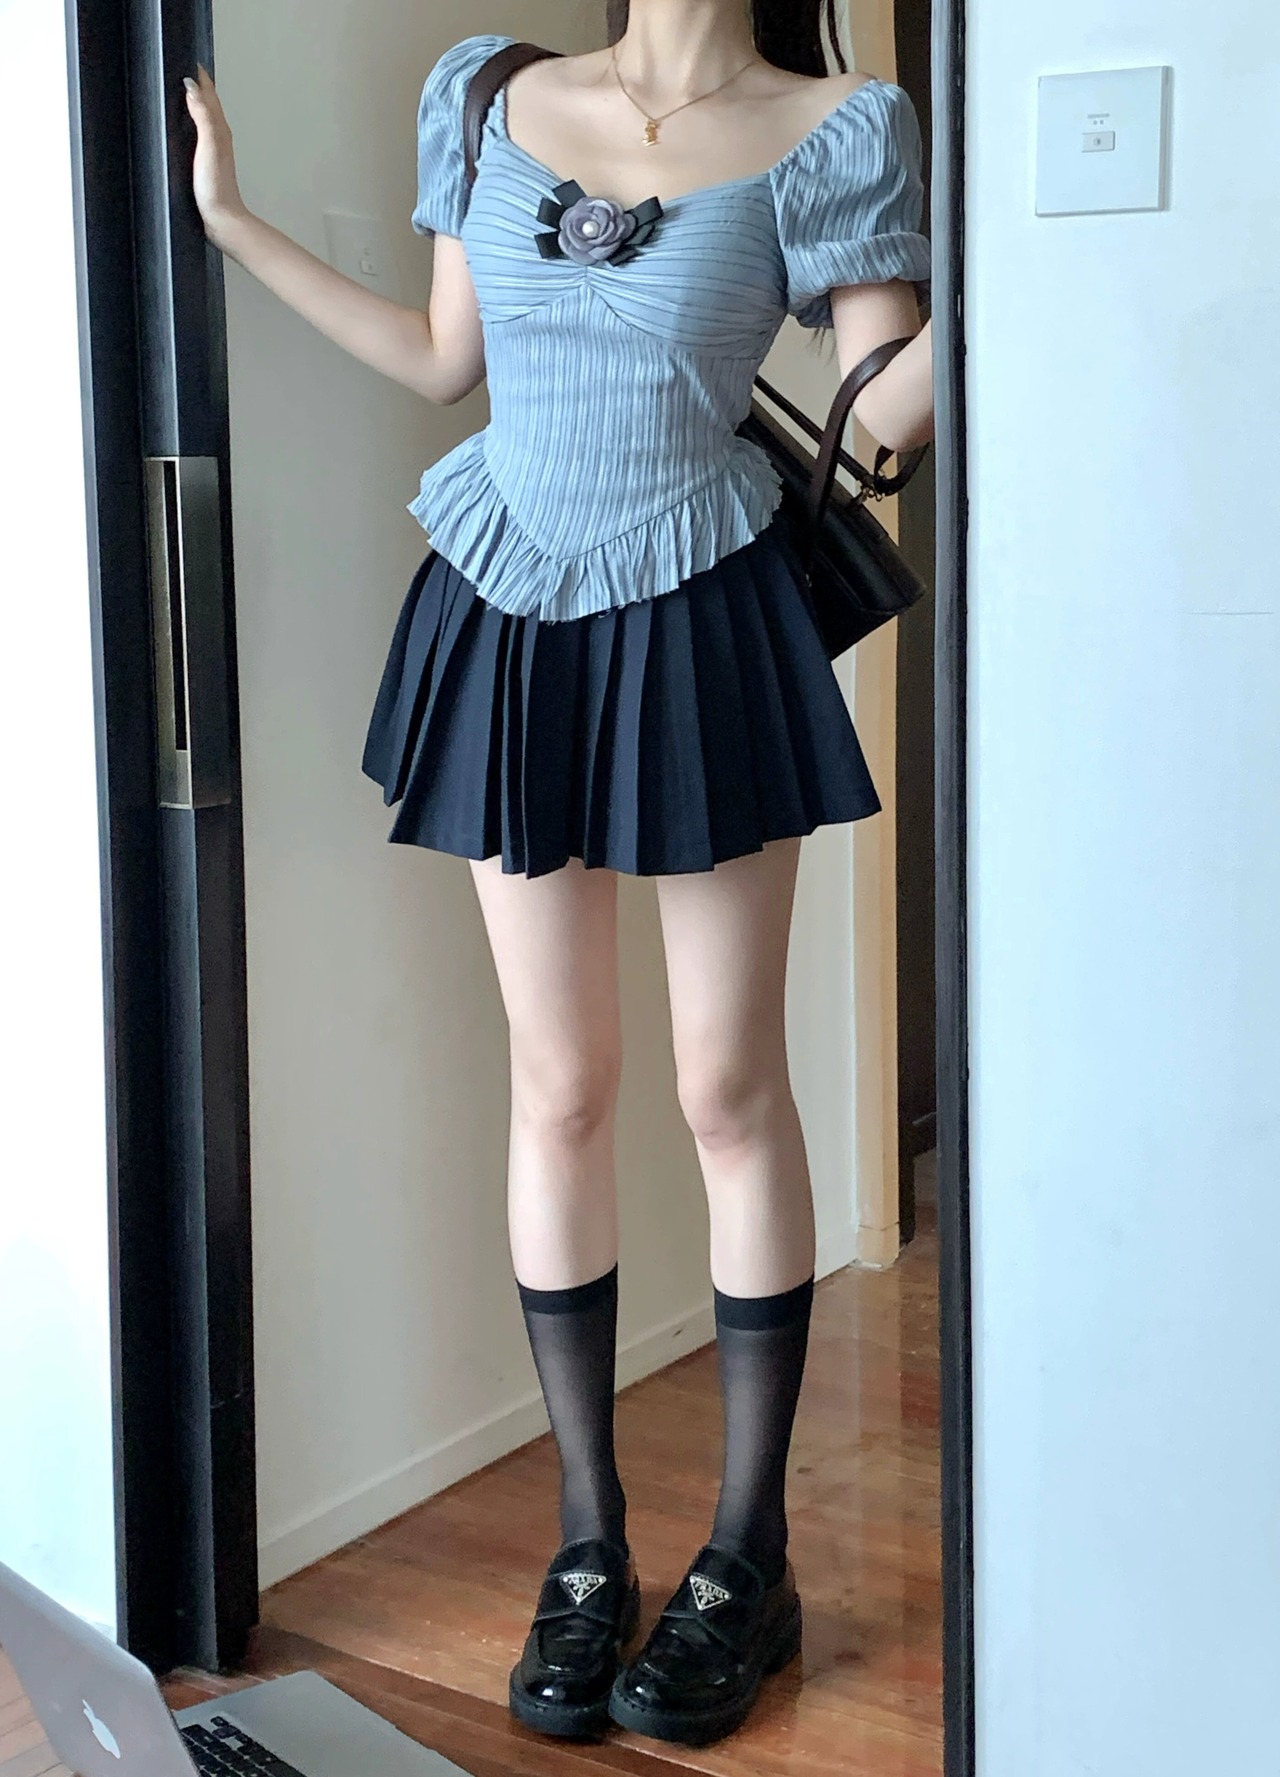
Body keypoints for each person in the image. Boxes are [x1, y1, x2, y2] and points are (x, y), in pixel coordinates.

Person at [184, 0, 934, 1749]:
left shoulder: (840, 128)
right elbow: (445, 357)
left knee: (726, 1086)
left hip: (705, 616)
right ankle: (589, 1542)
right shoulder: (489, 91)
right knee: (562, 1084)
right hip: (506, 607)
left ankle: (747, 1557)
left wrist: (1005, 277)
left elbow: (876, 420)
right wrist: (232, 224)